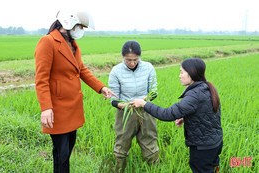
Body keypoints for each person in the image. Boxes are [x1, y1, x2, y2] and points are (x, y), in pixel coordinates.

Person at [34, 10, 117, 173]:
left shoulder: (72, 44)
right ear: (68, 23)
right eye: (79, 26)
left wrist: (101, 87)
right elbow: (41, 79)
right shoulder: (48, 42)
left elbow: (81, 70)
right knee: (61, 154)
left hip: (73, 107)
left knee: (67, 151)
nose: (80, 30)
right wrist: (45, 108)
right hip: (57, 108)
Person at [132, 58, 223, 173]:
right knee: (212, 167)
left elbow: (167, 114)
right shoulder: (206, 87)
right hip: (215, 142)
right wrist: (185, 116)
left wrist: (144, 104)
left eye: (182, 72)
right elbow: (206, 112)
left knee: (201, 169)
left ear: (191, 73)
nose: (179, 76)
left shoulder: (194, 95)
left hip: (203, 147)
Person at [108, 41, 159, 172]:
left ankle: (153, 168)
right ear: (122, 57)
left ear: (140, 57)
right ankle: (120, 168)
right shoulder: (116, 71)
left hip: (146, 110)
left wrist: (144, 100)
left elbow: (154, 92)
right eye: (128, 60)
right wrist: (123, 105)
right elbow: (113, 99)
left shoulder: (148, 68)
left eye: (135, 59)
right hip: (125, 112)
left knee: (149, 142)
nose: (132, 63)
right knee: (122, 143)